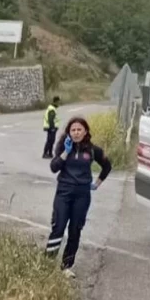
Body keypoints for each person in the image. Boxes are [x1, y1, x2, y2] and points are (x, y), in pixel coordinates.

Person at [46, 117, 112, 277]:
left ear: (85, 131)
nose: (76, 133)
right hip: (64, 192)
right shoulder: (63, 147)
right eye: (73, 130)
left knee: (75, 229)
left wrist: (97, 183)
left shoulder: (91, 150)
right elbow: (54, 168)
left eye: (79, 129)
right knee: (58, 227)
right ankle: (47, 263)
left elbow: (107, 165)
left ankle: (66, 266)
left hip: (82, 194)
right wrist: (65, 153)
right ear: (69, 132)